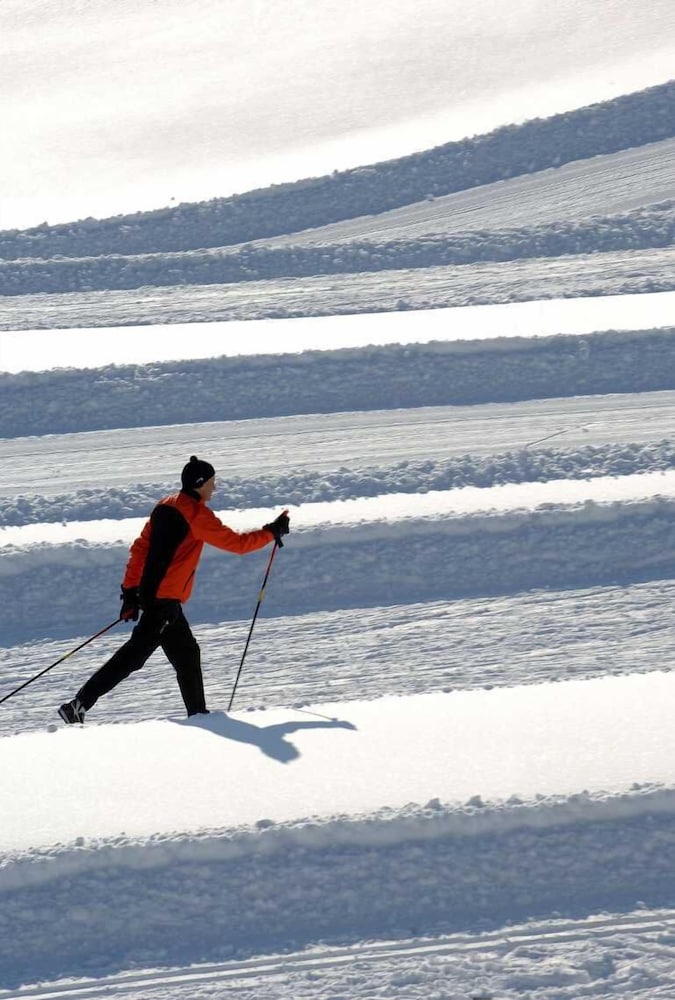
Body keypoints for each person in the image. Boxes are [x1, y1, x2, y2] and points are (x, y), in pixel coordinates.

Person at [58, 456, 289, 724]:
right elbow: (236, 544)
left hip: (158, 598)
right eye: (212, 483)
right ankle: (79, 705)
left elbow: (139, 550)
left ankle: (199, 716)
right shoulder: (196, 515)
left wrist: (131, 592)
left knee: (188, 654)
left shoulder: (165, 505)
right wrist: (271, 532)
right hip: (163, 601)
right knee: (134, 656)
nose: (214, 488)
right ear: (200, 483)